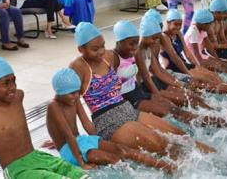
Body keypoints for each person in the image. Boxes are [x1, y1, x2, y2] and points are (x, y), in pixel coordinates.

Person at [69, 22, 216, 156]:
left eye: (102, 45)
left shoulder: (108, 57)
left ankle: (215, 158)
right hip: (107, 120)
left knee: (179, 134)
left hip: (127, 109)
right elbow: (71, 107)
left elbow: (129, 61)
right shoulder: (77, 68)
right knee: (162, 145)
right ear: (80, 49)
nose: (101, 51)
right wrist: (75, 138)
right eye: (95, 49)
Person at [0, 57, 87, 179]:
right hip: (17, 169)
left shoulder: (18, 97)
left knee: (84, 176)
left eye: (14, 81)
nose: (13, 87)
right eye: (6, 83)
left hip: (38, 157)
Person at [45, 68, 176, 173]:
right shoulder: (54, 106)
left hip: (81, 140)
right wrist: (81, 162)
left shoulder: (73, 99)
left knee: (122, 149)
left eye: (77, 92)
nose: (76, 96)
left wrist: (101, 141)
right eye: (72, 93)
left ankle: (167, 167)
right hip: (69, 149)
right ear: (60, 93)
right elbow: (68, 136)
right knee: (111, 158)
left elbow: (86, 123)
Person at [113, 20, 227, 127]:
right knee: (175, 109)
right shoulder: (130, 54)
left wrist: (177, 84)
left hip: (143, 89)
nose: (156, 42)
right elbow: (147, 78)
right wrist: (158, 96)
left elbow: (158, 71)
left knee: (185, 101)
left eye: (157, 38)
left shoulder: (145, 50)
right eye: (153, 38)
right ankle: (215, 121)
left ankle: (215, 114)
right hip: (137, 93)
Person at [161, 9, 227, 95]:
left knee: (214, 76)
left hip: (184, 64)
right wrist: (190, 71)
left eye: (180, 24)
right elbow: (176, 57)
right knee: (208, 80)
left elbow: (187, 53)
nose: (178, 27)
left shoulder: (178, 34)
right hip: (173, 68)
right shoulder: (165, 37)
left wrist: (197, 66)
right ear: (168, 23)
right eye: (176, 24)